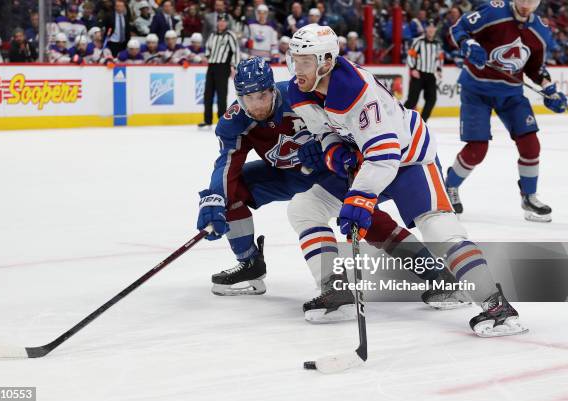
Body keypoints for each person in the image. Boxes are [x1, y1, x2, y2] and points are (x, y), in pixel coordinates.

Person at [287, 23, 528, 337]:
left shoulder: (355, 89)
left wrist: (360, 198)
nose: (296, 68)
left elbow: (385, 154)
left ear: (327, 61)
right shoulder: (299, 90)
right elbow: (325, 131)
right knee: (304, 208)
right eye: (294, 59)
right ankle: (338, 292)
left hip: (409, 158)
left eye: (304, 61)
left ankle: (496, 307)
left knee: (440, 229)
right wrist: (336, 154)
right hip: (366, 162)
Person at [197, 58, 466, 321]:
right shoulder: (234, 120)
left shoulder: (297, 94)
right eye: (248, 98)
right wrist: (214, 198)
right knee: (228, 191)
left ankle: (436, 274)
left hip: (329, 173)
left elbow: (348, 127)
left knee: (368, 222)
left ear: (272, 88)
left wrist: (329, 147)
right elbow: (227, 164)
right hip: (283, 176)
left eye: (262, 96)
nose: (256, 105)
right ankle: (249, 263)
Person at [445, 0, 568, 222]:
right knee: (477, 149)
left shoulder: (540, 29)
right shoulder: (493, 11)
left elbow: (535, 68)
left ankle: (529, 196)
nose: (525, 5)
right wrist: (468, 43)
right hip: (477, 90)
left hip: (511, 94)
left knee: (531, 144)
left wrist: (549, 89)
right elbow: (457, 28)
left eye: (530, 2)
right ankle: (449, 186)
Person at [198, 14, 240, 129]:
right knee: (208, 94)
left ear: (226, 23)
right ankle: (207, 120)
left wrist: (234, 66)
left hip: (223, 67)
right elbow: (208, 47)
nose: (221, 23)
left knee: (221, 95)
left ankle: (222, 120)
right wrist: (207, 56)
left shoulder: (230, 35)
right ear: (217, 23)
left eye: (223, 21)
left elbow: (235, 51)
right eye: (219, 21)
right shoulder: (212, 34)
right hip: (211, 66)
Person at [403, 19, 443, 122]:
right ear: (426, 29)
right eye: (429, 27)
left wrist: (439, 69)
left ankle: (422, 122)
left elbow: (439, 58)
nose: (430, 29)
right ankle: (400, 119)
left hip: (430, 75)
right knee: (412, 100)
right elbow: (411, 55)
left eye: (432, 27)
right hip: (419, 74)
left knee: (432, 99)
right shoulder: (418, 41)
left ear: (435, 29)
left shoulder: (437, 44)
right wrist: (413, 69)